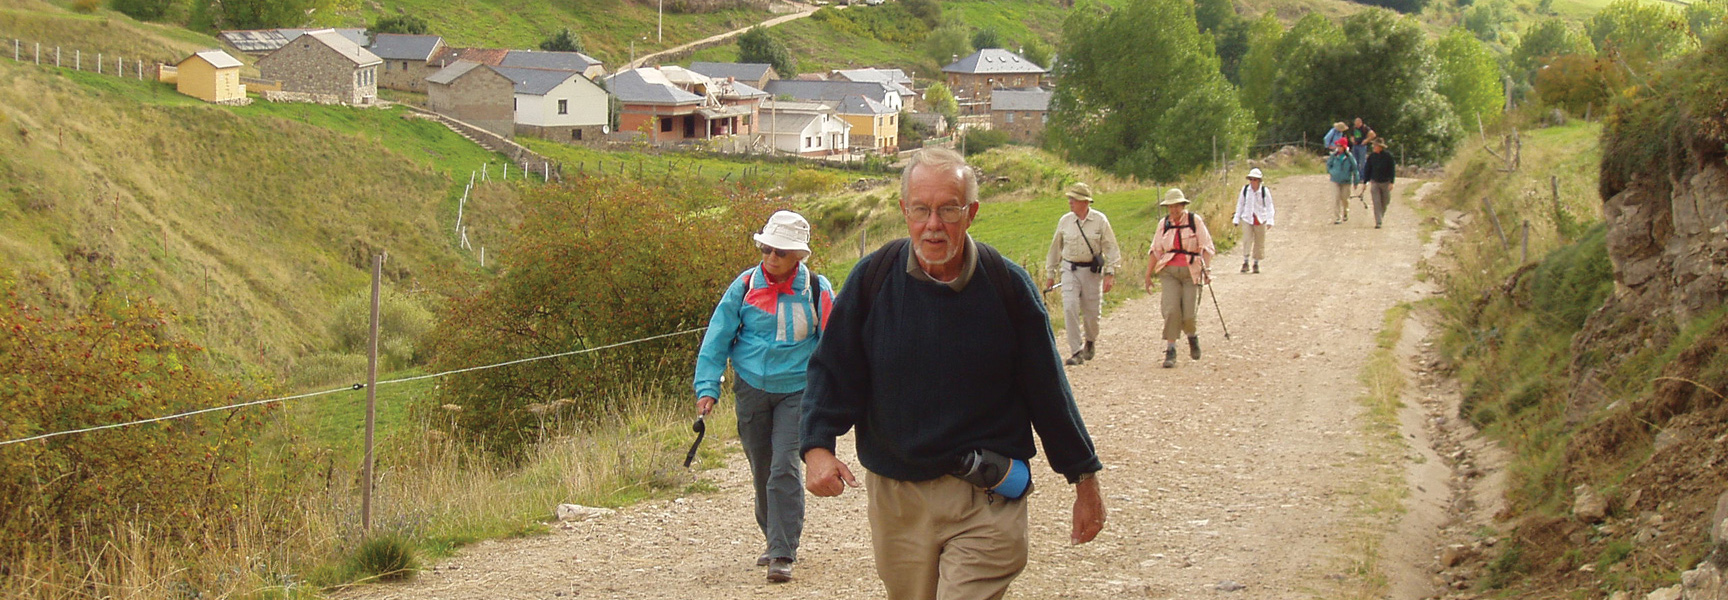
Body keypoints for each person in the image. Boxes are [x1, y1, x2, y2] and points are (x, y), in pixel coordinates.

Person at [801, 147, 1106, 600]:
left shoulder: (1007, 286)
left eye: (948, 209)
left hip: (986, 495)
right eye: (921, 209)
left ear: (972, 213)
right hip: (897, 496)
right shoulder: (873, 280)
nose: (934, 224)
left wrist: (1085, 478)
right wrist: (816, 447)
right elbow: (833, 370)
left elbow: (1049, 391)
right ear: (904, 211)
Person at [693, 210, 834, 583]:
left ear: (799, 255)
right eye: (768, 249)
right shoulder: (743, 286)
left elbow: (834, 345)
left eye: (781, 251)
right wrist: (707, 388)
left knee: (783, 467)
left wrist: (836, 394)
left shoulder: (817, 289)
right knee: (761, 468)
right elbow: (717, 338)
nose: (772, 257)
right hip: (751, 388)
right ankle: (773, 537)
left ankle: (783, 551)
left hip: (798, 392)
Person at [1044, 182, 1123, 366]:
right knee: (1070, 307)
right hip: (1069, 269)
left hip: (1091, 272)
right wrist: (1050, 273)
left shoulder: (1100, 221)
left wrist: (1110, 273)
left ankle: (1090, 340)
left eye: (1074, 199)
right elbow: (1055, 248)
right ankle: (1076, 351)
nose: (1070, 202)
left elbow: (1111, 248)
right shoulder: (1065, 221)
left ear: (1085, 202)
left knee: (1092, 314)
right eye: (1070, 198)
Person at [1144, 188, 1216, 369]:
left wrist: (1206, 269)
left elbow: (1206, 247)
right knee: (1171, 310)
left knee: (1189, 314)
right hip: (1168, 272)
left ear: (1183, 206)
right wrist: (1148, 275)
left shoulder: (1194, 221)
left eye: (1177, 206)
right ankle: (1171, 349)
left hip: (1191, 271)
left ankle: (1191, 336)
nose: (1174, 210)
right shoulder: (1164, 224)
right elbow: (1155, 250)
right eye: (1171, 207)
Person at [1231, 168, 1275, 274]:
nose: (1252, 182)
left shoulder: (1264, 191)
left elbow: (1269, 206)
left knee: (1259, 242)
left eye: (1255, 179)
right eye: (1251, 179)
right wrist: (1236, 218)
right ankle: (1245, 261)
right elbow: (1240, 204)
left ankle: (1256, 263)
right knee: (1247, 239)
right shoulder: (1245, 190)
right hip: (1247, 218)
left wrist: (1270, 220)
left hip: (1260, 219)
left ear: (1259, 180)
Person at [1362, 139, 1397, 229]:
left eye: (1375, 146)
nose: (1373, 147)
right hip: (1375, 182)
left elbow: (1392, 170)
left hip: (1385, 182)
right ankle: (1378, 222)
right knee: (1376, 202)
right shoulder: (1372, 157)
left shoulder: (1388, 156)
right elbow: (1367, 169)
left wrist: (1392, 182)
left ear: (1380, 147)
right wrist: (1365, 181)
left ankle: (1380, 216)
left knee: (1385, 201)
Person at [1326, 138, 1359, 225]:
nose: (1338, 147)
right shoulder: (1334, 156)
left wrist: (1356, 181)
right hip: (1335, 180)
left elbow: (1355, 169)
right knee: (1336, 198)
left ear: (1344, 147)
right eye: (1337, 145)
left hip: (1346, 181)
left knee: (1345, 199)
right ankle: (1337, 217)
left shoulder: (1349, 157)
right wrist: (1331, 172)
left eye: (1340, 146)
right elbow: (1328, 164)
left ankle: (1345, 212)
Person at [1348, 117, 1377, 192]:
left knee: (1362, 162)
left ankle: (1363, 177)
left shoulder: (1365, 128)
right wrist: (1352, 140)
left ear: (1361, 123)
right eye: (1355, 123)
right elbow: (1351, 136)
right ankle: (1357, 177)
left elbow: (1373, 134)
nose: (1356, 125)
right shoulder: (1354, 128)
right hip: (1355, 145)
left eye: (1358, 123)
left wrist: (1366, 140)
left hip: (1362, 146)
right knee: (1355, 162)